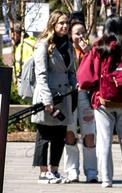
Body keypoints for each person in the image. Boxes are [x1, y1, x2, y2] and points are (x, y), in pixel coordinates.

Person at [77, 16, 122, 188]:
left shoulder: (99, 47)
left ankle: (107, 180)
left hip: (103, 100)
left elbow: (85, 78)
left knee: (104, 140)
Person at [32, 10, 76, 184]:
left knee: (60, 134)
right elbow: (41, 74)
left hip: (64, 95)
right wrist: (47, 100)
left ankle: (55, 170)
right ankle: (43, 173)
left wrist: (75, 84)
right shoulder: (43, 44)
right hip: (47, 95)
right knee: (44, 134)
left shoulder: (69, 45)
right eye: (61, 23)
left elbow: (71, 70)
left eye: (66, 23)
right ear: (53, 25)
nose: (65, 26)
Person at [64, 20, 98, 183]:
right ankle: (72, 171)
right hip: (70, 94)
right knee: (70, 134)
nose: (81, 36)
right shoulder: (67, 50)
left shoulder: (92, 51)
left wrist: (89, 52)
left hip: (86, 94)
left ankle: (91, 171)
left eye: (83, 32)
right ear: (70, 36)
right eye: (77, 33)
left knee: (89, 134)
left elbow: (97, 70)